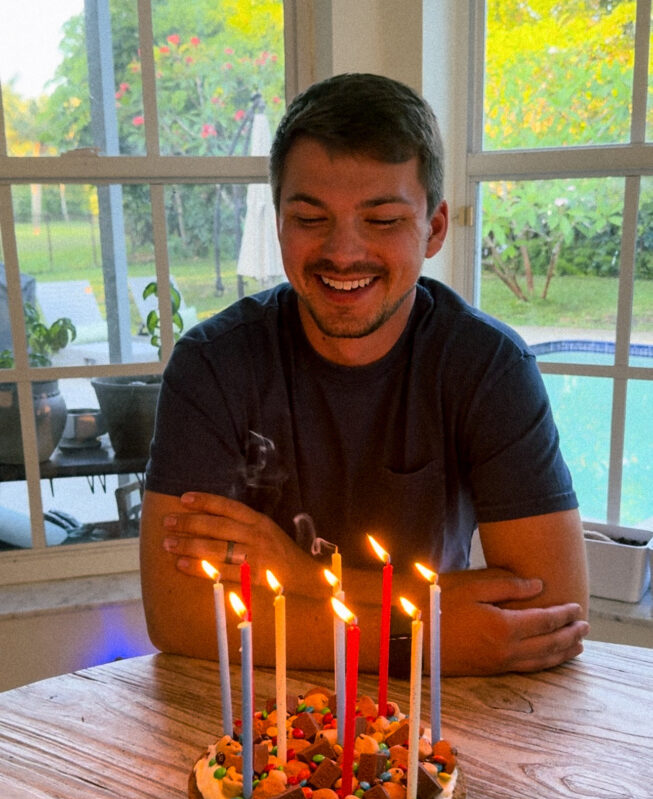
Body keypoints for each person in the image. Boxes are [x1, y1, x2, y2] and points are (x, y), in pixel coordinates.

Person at [140, 72, 589, 677]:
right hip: (259, 710)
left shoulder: (488, 368)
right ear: (278, 223)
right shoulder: (214, 366)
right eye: (310, 218)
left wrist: (299, 574)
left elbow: (551, 609)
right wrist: (425, 639)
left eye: (381, 220)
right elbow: (180, 617)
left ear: (432, 230)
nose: (344, 252)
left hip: (434, 717)